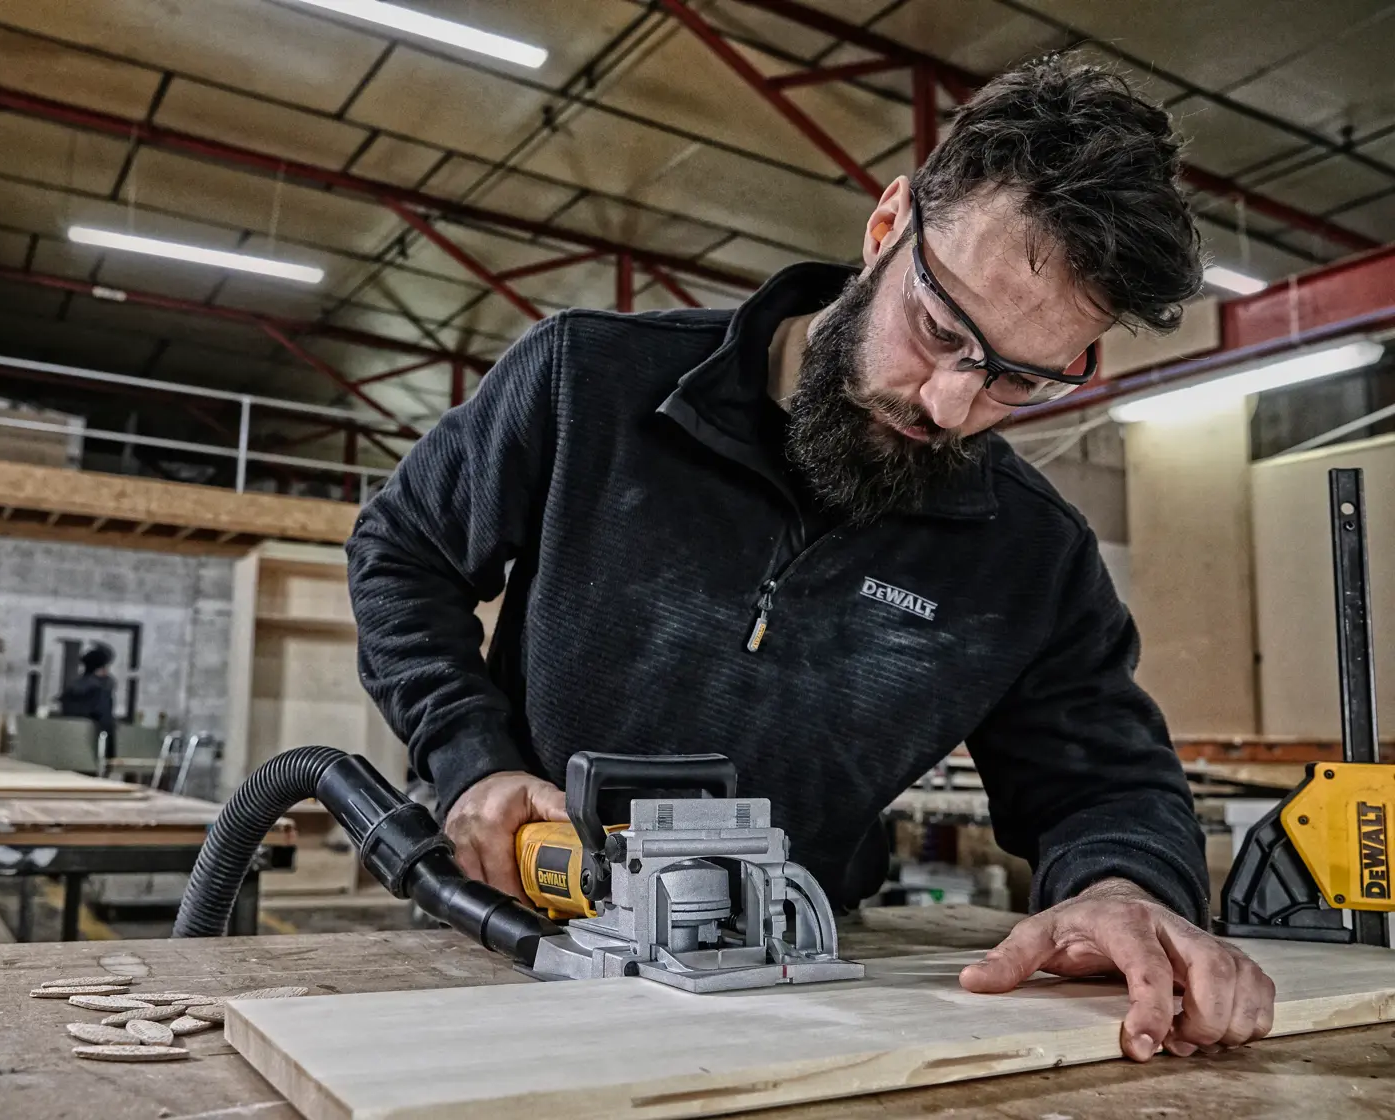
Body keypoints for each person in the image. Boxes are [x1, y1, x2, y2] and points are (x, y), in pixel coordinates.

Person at [345, 55, 1275, 1061]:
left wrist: (1122, 887)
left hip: (803, 998)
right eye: (940, 331)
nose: (953, 406)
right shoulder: (591, 383)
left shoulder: (1029, 554)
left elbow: (1106, 783)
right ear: (886, 228)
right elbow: (403, 553)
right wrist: (471, 761)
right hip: (508, 941)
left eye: (1021, 380)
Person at [60, 643, 118, 760]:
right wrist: (111, 754)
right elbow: (105, 720)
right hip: (94, 750)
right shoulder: (101, 690)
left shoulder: (72, 689)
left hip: (68, 750)